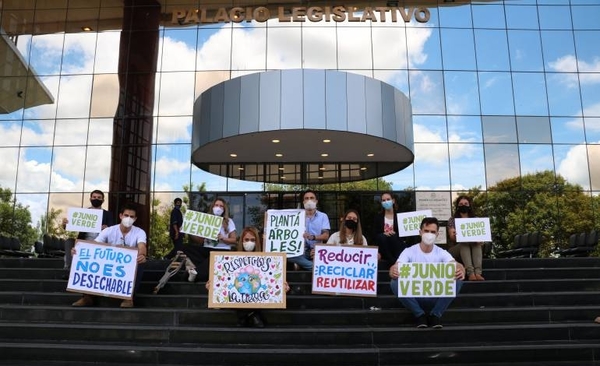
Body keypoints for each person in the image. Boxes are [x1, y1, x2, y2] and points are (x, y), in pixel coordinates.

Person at [205, 227, 290, 328]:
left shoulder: (268, 259)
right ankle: (253, 315)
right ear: (242, 241)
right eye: (246, 240)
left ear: (257, 242)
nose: (249, 242)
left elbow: (272, 281)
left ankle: (244, 317)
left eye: (252, 240)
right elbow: (225, 283)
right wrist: (213, 286)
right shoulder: (230, 259)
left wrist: (282, 286)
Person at [389, 217, 465, 329]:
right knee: (394, 282)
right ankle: (419, 315)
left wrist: (460, 269)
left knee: (458, 279)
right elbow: (395, 267)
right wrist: (393, 271)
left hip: (436, 297)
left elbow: (455, 264)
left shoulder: (441, 252)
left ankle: (436, 315)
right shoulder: (409, 251)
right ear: (420, 232)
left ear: (437, 234)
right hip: (415, 296)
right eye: (426, 231)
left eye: (433, 232)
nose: (429, 234)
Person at [71, 203, 147, 308]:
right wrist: (79, 250)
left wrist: (142, 254)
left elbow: (142, 245)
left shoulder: (139, 232)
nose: (128, 218)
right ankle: (87, 297)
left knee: (140, 262)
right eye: (126, 215)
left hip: (127, 266)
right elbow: (95, 244)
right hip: (110, 265)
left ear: (135, 219)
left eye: (131, 216)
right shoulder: (109, 230)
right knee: (88, 259)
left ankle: (128, 298)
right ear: (121, 216)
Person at [63, 190, 115, 270]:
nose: (96, 199)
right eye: (94, 197)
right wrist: (65, 224)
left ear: (103, 200)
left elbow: (113, 230)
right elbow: (69, 226)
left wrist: (106, 228)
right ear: (90, 199)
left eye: (99, 198)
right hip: (84, 242)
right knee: (69, 241)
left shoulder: (108, 214)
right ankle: (69, 269)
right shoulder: (82, 213)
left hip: (100, 243)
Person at [288, 190, 330, 270]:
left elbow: (326, 235)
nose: (309, 200)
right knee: (288, 256)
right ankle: (315, 267)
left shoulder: (323, 216)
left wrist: (312, 237)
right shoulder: (296, 216)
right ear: (303, 202)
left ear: (316, 201)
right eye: (306, 198)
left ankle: (305, 265)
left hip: (317, 250)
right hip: (301, 251)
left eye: (311, 198)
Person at [447, 195, 484, 281]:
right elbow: (452, 237)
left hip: (473, 248)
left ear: (469, 205)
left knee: (477, 245)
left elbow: (482, 237)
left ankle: (478, 273)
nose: (463, 205)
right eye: (461, 204)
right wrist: (455, 235)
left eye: (466, 203)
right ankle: (470, 273)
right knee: (464, 244)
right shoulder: (452, 220)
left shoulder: (476, 219)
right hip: (456, 250)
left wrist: (480, 240)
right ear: (457, 206)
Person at [372, 192, 407, 269]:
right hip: (384, 248)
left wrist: (394, 234)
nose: (386, 202)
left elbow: (405, 235)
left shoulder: (400, 216)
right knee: (382, 237)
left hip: (397, 246)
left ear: (393, 201)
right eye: (383, 200)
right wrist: (384, 234)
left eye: (388, 199)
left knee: (393, 236)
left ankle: (394, 262)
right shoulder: (378, 217)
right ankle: (393, 262)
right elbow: (375, 235)